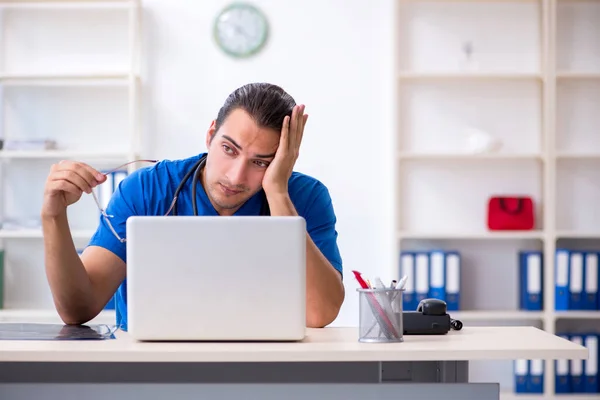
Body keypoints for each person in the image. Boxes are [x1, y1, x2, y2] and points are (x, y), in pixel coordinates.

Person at [41, 82, 345, 331]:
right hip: (149, 370)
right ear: (210, 134)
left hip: (261, 368)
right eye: (229, 149)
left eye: (260, 162)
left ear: (283, 160)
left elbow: (320, 314)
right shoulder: (147, 190)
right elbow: (78, 309)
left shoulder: (305, 199)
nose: (235, 176)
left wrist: (277, 191)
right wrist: (53, 217)